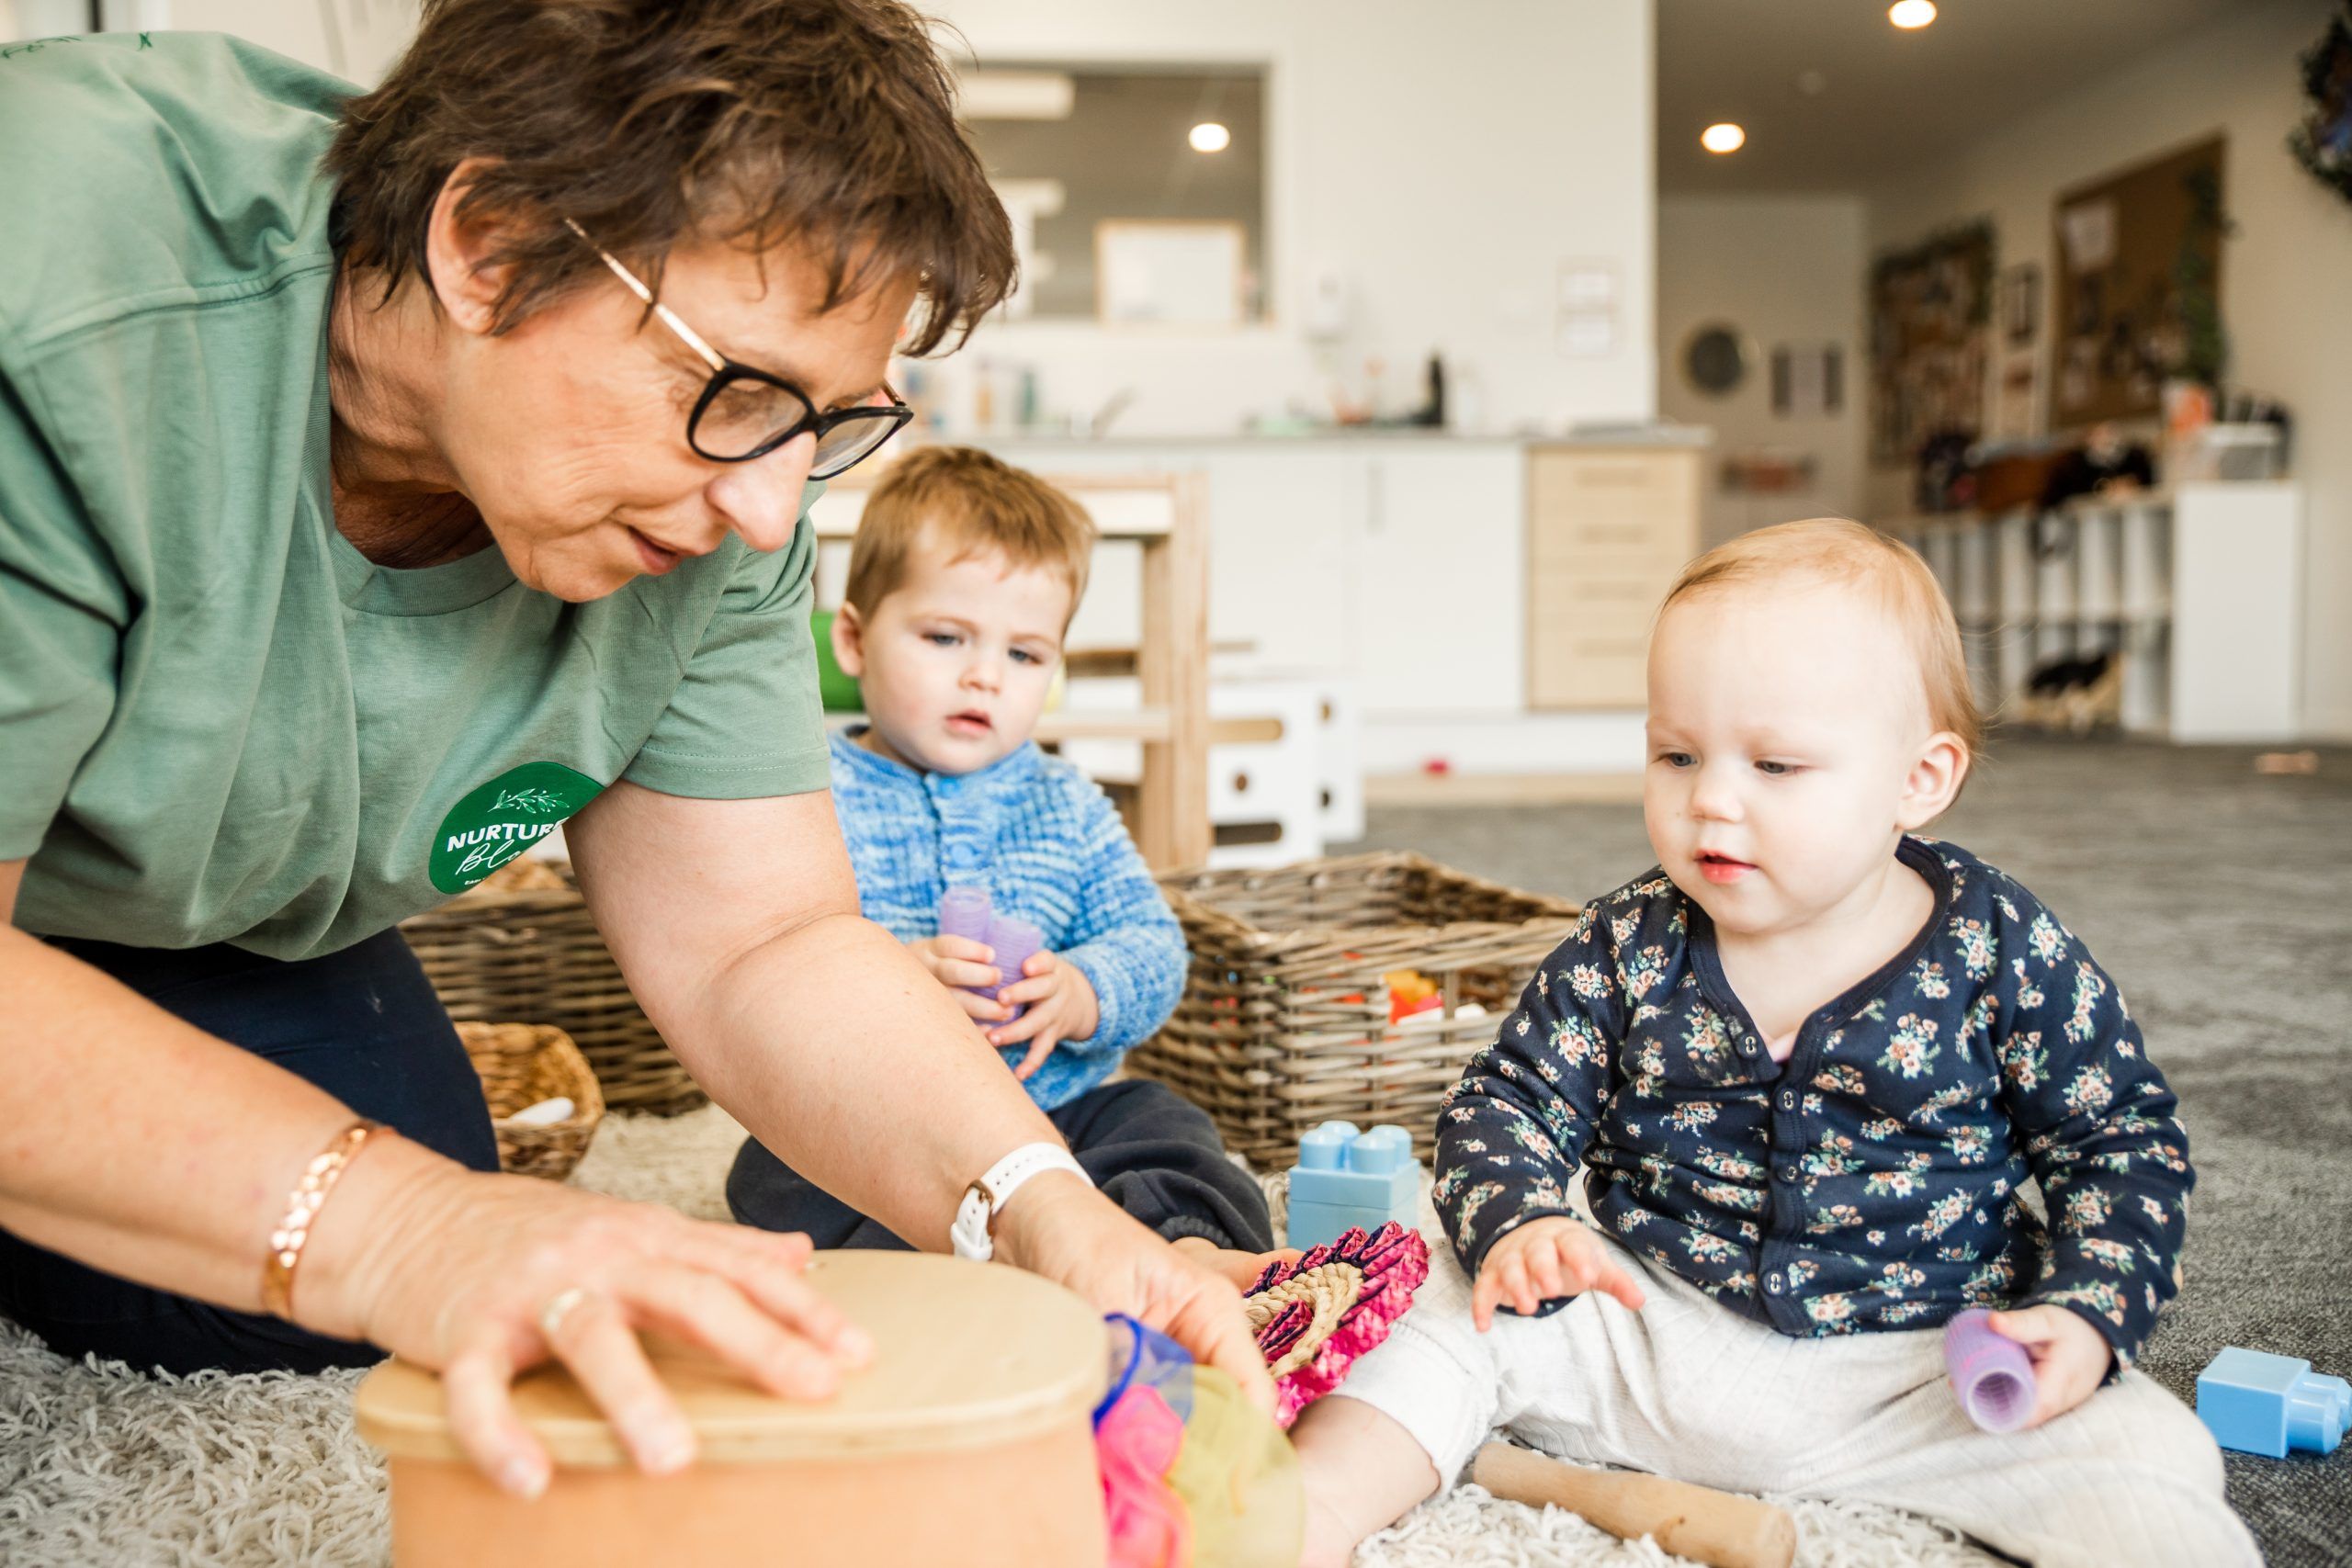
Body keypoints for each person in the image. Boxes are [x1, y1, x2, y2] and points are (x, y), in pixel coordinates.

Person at [0, 1, 1268, 1506]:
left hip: (177, 914)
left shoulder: (727, 496)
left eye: (830, 422)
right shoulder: (61, 283)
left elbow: (763, 937)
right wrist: (395, 1229)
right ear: (486, 242)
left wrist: (1036, 1206)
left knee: (371, 1215)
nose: (767, 512)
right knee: (389, 1226)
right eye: (736, 396)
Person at [1289, 520, 2257, 1567]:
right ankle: (1303, 1515)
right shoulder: (1626, 940)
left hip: (1922, 1369)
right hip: (1640, 1323)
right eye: (1676, 754)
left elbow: (2118, 1142)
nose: (1710, 796)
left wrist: (2085, 1314)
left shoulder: (1999, 947)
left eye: (1777, 764)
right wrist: (1519, 1225)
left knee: (2152, 1453)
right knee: (1425, 1300)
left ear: (1918, 780)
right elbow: (1506, 1100)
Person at [728, 447, 1282, 1286]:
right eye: (945, 636)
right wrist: (889, 980)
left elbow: (1153, 940)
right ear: (853, 639)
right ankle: (944, 1276)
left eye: (1025, 655)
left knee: (1162, 1123)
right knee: (772, 1173)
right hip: (875, 1122)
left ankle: (1188, 1253)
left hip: (1058, 1109)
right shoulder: (809, 789)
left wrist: (1083, 989)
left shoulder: (1066, 802)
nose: (985, 674)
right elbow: (764, 948)